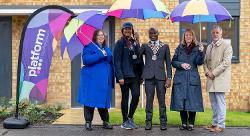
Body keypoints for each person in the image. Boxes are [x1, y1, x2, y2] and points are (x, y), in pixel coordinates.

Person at [78, 29, 114, 131]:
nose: (101, 36)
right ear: (95, 36)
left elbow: (110, 59)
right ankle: (88, 122)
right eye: (99, 35)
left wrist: (105, 53)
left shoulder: (106, 48)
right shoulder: (88, 47)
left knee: (103, 101)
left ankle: (106, 122)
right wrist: (99, 54)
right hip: (92, 81)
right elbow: (86, 60)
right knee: (90, 101)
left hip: (103, 81)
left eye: (102, 35)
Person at [170, 28, 204, 131]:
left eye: (190, 35)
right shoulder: (179, 48)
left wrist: (201, 52)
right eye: (186, 35)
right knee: (182, 101)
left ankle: (191, 123)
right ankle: (184, 123)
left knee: (192, 101)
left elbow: (199, 62)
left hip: (192, 77)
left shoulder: (198, 48)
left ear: (193, 37)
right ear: (184, 37)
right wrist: (181, 64)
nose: (188, 37)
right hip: (181, 77)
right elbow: (173, 62)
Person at [140, 27, 172, 130]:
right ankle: (148, 122)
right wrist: (136, 42)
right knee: (149, 101)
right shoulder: (145, 46)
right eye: (150, 33)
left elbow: (168, 63)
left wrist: (169, 77)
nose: (152, 34)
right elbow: (137, 55)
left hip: (161, 77)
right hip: (148, 77)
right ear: (149, 35)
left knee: (162, 101)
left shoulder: (165, 46)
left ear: (158, 33)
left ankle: (163, 122)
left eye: (154, 33)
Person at [113, 22, 144, 129]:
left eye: (129, 29)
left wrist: (142, 75)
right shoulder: (120, 43)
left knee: (136, 96)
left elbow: (139, 59)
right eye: (126, 29)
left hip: (135, 75)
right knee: (125, 98)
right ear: (122, 30)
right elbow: (116, 61)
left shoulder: (135, 42)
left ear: (132, 30)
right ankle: (125, 121)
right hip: (124, 76)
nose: (128, 31)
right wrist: (119, 76)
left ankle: (130, 117)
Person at [204, 25, 232, 133]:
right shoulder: (209, 46)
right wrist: (207, 71)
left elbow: (226, 63)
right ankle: (215, 123)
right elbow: (205, 61)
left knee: (220, 102)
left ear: (221, 34)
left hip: (220, 78)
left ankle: (221, 125)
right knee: (213, 103)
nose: (215, 34)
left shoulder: (226, 46)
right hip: (210, 79)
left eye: (217, 33)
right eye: (213, 33)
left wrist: (213, 73)